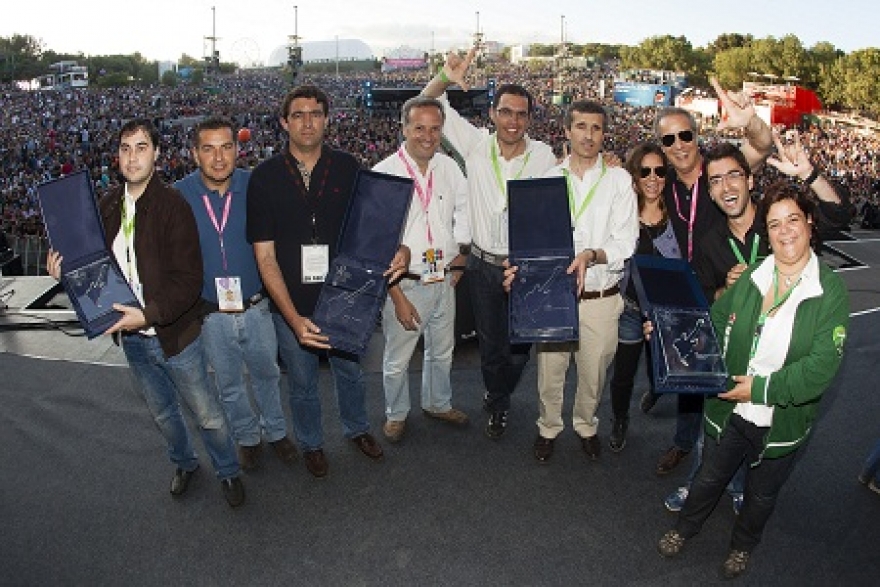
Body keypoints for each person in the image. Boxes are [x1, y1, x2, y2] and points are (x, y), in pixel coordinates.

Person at [656, 181, 850, 580]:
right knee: (709, 476)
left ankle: (742, 545)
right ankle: (685, 528)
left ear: (810, 223)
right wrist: (670, 331)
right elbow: (712, 320)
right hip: (732, 407)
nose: (785, 232)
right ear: (767, 231)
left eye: (793, 220)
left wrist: (759, 388)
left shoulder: (830, 292)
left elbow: (819, 370)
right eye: (775, 224)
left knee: (761, 494)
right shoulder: (754, 274)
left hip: (779, 420)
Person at [47, 118, 245, 507]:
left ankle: (228, 470)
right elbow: (95, 272)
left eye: (141, 147)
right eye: (125, 148)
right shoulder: (104, 207)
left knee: (207, 414)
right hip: (132, 339)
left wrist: (148, 315)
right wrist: (67, 274)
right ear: (117, 156)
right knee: (163, 414)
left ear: (156, 154)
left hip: (175, 338)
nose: (132, 156)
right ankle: (185, 463)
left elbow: (188, 281)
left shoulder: (174, 206)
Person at [246, 85, 409, 479]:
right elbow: (265, 258)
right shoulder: (264, 177)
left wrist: (399, 249)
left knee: (350, 374)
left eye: (315, 113)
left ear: (327, 119)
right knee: (301, 383)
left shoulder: (348, 166)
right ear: (284, 122)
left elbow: (373, 227)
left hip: (345, 297)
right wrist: (291, 318)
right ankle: (312, 443)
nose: (307, 122)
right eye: (298, 114)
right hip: (293, 303)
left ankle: (356, 429)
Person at [421, 47, 557, 439]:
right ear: (493, 114)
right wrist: (446, 74)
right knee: (492, 344)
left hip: (523, 268)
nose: (513, 121)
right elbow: (428, 102)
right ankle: (498, 403)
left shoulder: (544, 157)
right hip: (481, 265)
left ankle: (499, 389)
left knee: (520, 348)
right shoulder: (475, 144)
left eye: (521, 114)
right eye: (506, 112)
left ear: (529, 118)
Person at [645, 80, 775, 477]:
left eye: (685, 135)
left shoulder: (720, 175)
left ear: (697, 136)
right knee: (689, 376)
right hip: (682, 290)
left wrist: (751, 121)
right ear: (662, 148)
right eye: (669, 140)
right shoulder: (660, 182)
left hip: (725, 287)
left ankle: (727, 460)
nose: (679, 145)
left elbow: (762, 145)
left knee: (728, 375)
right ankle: (684, 443)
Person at [505, 100, 637, 462]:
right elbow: (528, 241)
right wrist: (517, 271)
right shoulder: (546, 181)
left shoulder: (619, 180)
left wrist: (592, 255)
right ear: (567, 131)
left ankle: (586, 424)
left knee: (594, 375)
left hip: (600, 295)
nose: (588, 135)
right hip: (553, 295)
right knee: (550, 373)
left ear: (604, 134)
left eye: (596, 128)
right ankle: (548, 427)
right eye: (581, 126)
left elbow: (626, 241)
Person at [175, 116, 297, 471]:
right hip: (211, 313)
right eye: (208, 149)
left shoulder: (256, 184)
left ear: (237, 149)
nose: (218, 158)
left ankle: (275, 432)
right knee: (228, 385)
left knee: (267, 374)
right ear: (195, 154)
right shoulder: (179, 195)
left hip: (257, 306)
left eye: (226, 147)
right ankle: (247, 437)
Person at [372, 96, 471, 442]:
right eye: (419, 128)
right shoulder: (385, 173)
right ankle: (396, 414)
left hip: (443, 279)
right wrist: (395, 295)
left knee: (442, 351)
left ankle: (437, 402)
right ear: (404, 128)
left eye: (434, 128)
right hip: (406, 282)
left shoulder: (449, 167)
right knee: (397, 359)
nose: (427, 136)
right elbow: (376, 242)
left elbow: (463, 212)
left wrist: (459, 259)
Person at [607, 142, 679, 453]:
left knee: (658, 365)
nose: (653, 177)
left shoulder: (678, 214)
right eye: (645, 171)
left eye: (660, 171)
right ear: (634, 176)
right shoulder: (622, 211)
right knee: (623, 373)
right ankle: (620, 419)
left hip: (665, 310)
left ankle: (656, 389)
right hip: (630, 309)